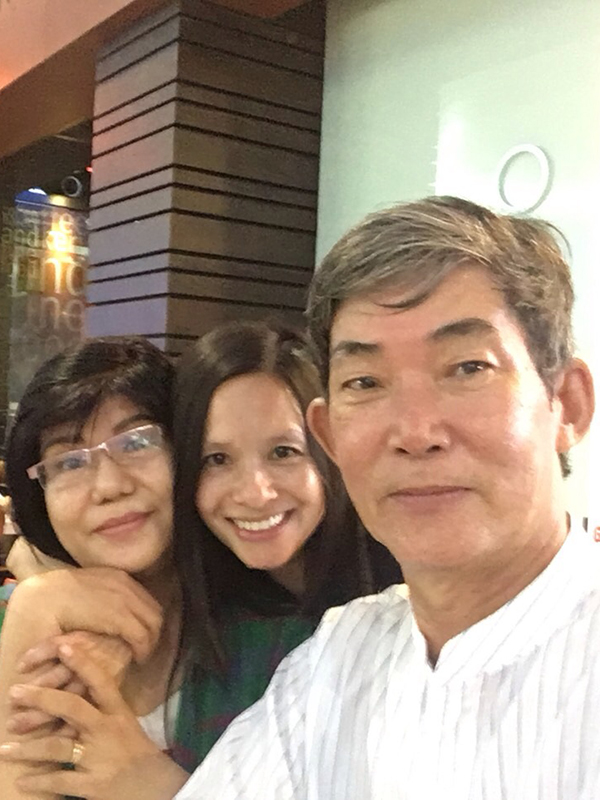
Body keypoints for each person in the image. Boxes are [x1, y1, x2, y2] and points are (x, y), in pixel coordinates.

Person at [32, 194, 598, 800]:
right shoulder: (337, 656)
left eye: (468, 368)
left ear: (566, 404)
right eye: (366, 382)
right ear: (331, 436)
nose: (414, 432)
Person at [0, 323, 400, 798]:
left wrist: (159, 788)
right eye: (69, 462)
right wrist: (30, 614)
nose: (109, 486)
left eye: (136, 442)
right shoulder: (21, 616)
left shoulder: (287, 647)